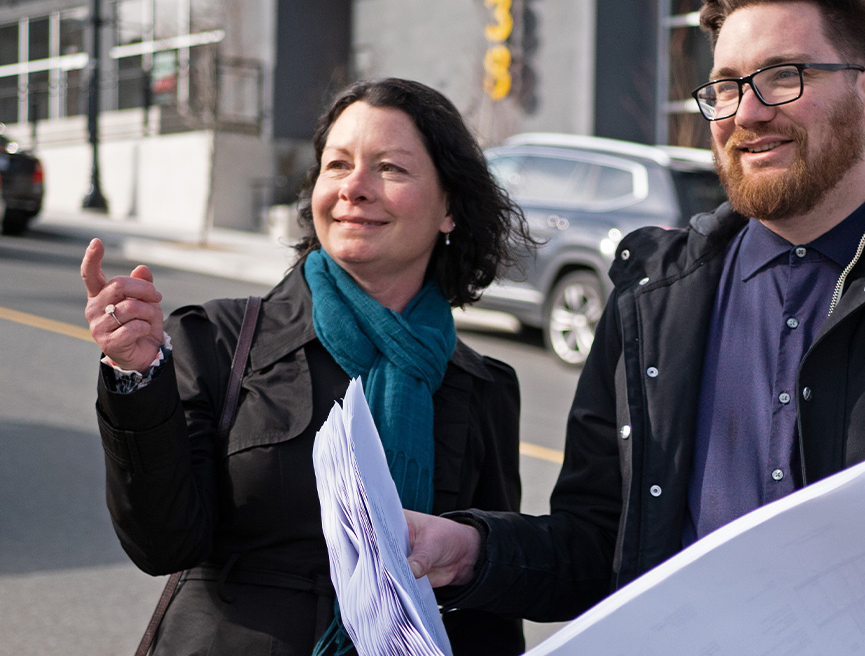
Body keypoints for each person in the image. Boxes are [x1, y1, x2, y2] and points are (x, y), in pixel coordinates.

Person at [402, 0, 865, 622]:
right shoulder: (648, 303)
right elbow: (598, 548)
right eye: (724, 87)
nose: (746, 112)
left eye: (783, 76)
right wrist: (468, 551)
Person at [80, 78, 531, 655]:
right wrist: (135, 375)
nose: (356, 189)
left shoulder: (483, 387)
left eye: (390, 168)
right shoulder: (216, 339)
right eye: (337, 165)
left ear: (449, 208)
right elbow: (162, 543)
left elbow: (488, 603)